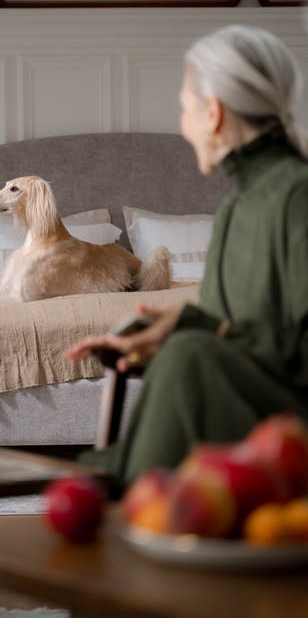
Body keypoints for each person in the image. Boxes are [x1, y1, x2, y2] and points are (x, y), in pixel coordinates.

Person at [65, 24, 308, 493]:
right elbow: (237, 332)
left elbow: (256, 347)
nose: (183, 124)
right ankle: (115, 491)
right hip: (254, 408)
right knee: (184, 349)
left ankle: (120, 500)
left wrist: (195, 335)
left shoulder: (296, 196)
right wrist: (176, 326)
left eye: (184, 108)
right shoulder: (239, 204)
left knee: (189, 356)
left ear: (213, 114)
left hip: (290, 424)